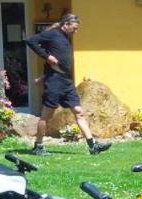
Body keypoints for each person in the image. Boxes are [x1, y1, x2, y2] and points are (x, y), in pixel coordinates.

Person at [25, 13, 111, 155]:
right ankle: (38, 146)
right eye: (74, 28)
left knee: (79, 112)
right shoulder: (52, 34)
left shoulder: (65, 38)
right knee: (46, 116)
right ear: (66, 25)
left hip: (66, 81)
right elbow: (31, 41)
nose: (76, 31)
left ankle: (92, 146)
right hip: (54, 82)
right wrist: (46, 57)